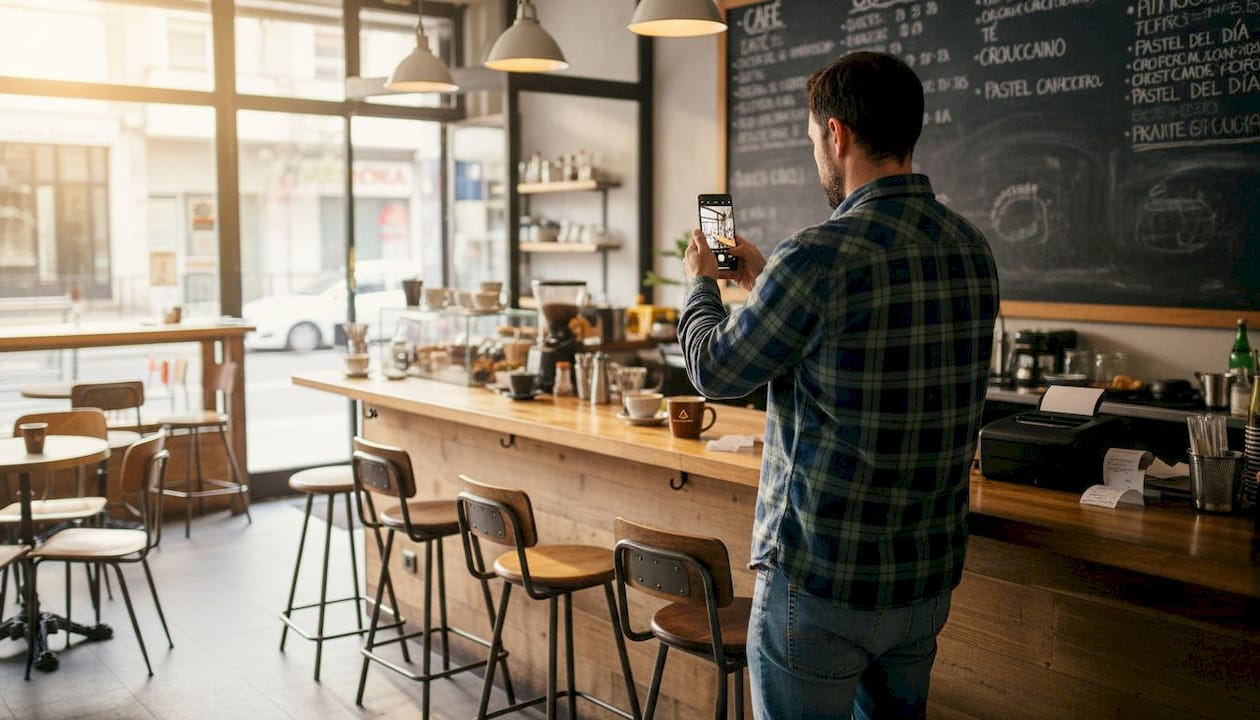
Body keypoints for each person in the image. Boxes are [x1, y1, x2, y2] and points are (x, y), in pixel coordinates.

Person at [677, 51, 1000, 719]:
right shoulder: (970, 248)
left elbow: (713, 368)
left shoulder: (818, 255)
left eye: (812, 140)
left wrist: (703, 281)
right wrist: (761, 280)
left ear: (837, 134)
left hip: (821, 581)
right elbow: (848, 341)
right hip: (922, 581)